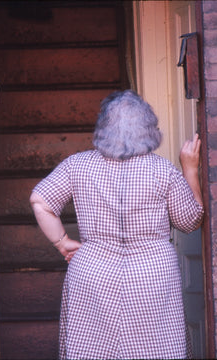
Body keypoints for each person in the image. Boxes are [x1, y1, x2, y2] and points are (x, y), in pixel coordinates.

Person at [30, 90, 203, 359]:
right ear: (149, 128)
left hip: (93, 271)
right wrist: (190, 169)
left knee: (91, 351)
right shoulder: (163, 170)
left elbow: (40, 201)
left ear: (103, 127)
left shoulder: (77, 165)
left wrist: (62, 242)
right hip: (151, 275)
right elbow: (190, 220)